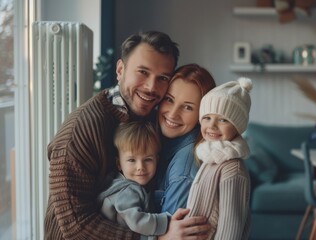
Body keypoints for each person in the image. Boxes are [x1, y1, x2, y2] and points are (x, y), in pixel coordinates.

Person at [45, 31, 210, 240]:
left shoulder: (149, 118)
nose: (151, 87)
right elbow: (75, 225)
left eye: (162, 78)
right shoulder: (80, 129)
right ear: (120, 69)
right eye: (143, 72)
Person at [186, 78, 253, 239]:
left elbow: (231, 228)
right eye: (207, 117)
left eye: (223, 120)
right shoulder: (212, 156)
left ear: (237, 126)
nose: (212, 125)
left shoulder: (232, 169)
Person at [155, 64, 216, 215]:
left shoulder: (183, 171)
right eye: (169, 99)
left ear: (203, 115)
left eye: (188, 107)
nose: (173, 114)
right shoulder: (159, 143)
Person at [98, 121, 170, 239]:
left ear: (157, 160)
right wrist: (167, 221)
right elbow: (137, 222)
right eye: (132, 160)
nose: (140, 167)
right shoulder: (126, 191)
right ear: (119, 164)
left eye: (147, 159)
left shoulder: (137, 185)